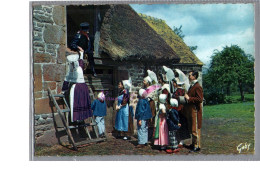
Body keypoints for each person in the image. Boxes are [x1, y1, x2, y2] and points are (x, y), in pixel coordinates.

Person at [61, 52, 93, 132]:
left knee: (76, 103)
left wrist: (64, 90)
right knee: (82, 103)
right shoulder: (79, 68)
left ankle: (77, 119)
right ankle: (81, 118)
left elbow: (66, 80)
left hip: (77, 89)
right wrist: (81, 53)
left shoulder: (72, 71)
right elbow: (81, 62)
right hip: (84, 88)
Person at [184, 71, 203, 152]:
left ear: (194, 76)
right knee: (192, 126)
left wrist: (189, 98)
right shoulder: (192, 86)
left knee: (195, 127)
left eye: (190, 75)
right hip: (191, 108)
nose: (189, 76)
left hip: (195, 109)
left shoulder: (197, 86)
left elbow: (200, 99)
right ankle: (193, 143)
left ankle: (197, 145)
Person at [172, 78, 190, 148]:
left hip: (179, 110)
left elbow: (178, 99)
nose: (173, 84)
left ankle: (181, 141)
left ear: (176, 83)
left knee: (180, 124)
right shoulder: (182, 91)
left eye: (174, 83)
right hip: (181, 109)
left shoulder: (179, 91)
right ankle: (180, 140)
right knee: (181, 124)